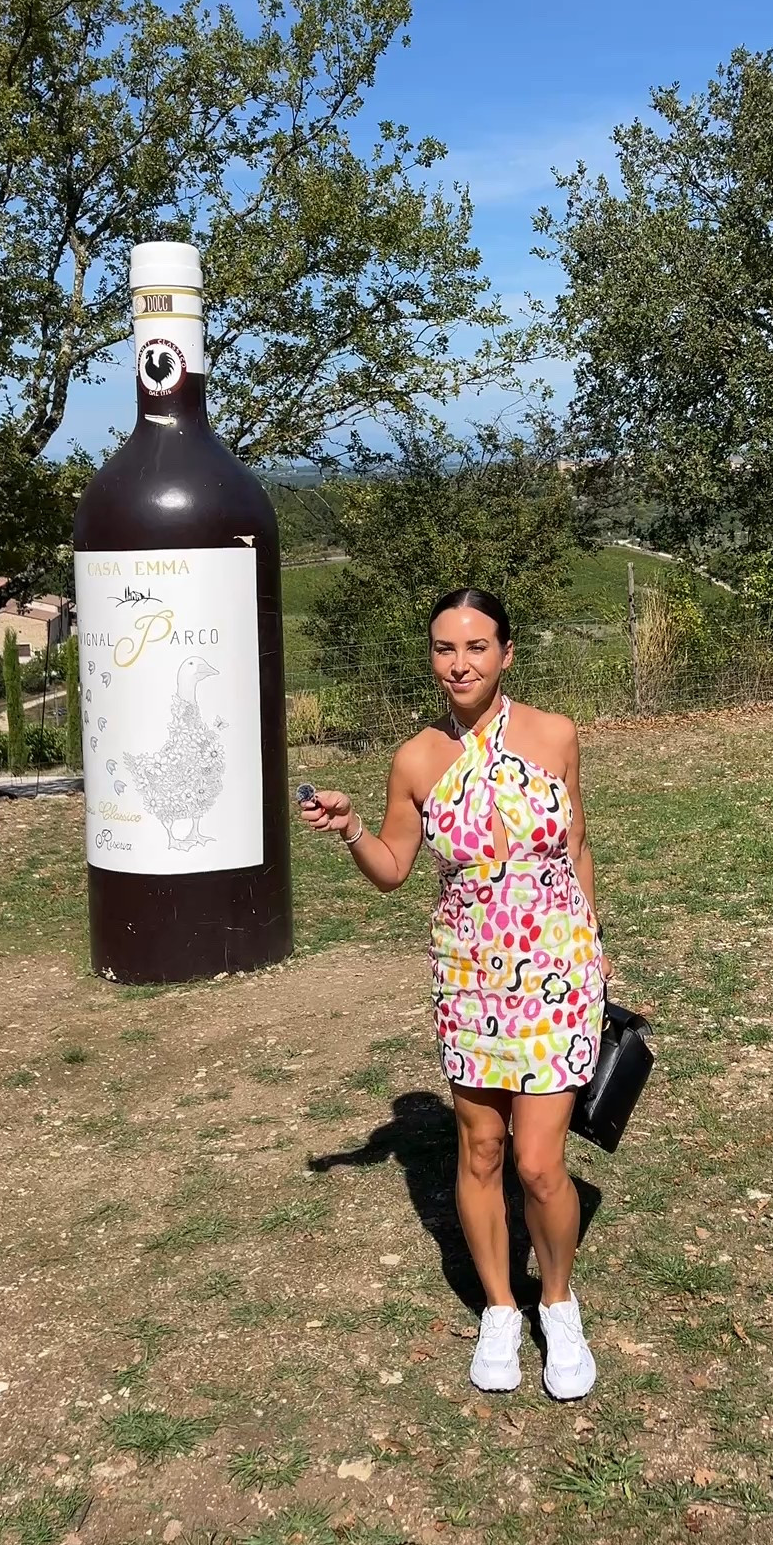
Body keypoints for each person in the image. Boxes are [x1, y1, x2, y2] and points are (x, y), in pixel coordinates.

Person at [299, 587, 609, 1402]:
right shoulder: (417, 759)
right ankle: (501, 1309)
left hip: (555, 970)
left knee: (541, 1164)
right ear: (431, 658)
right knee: (479, 1151)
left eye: (476, 646)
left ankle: (560, 1302)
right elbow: (394, 873)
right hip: (470, 977)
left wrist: (595, 950)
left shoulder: (556, 735)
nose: (460, 662)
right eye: (444, 648)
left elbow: (575, 845)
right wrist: (354, 829)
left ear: (506, 652)